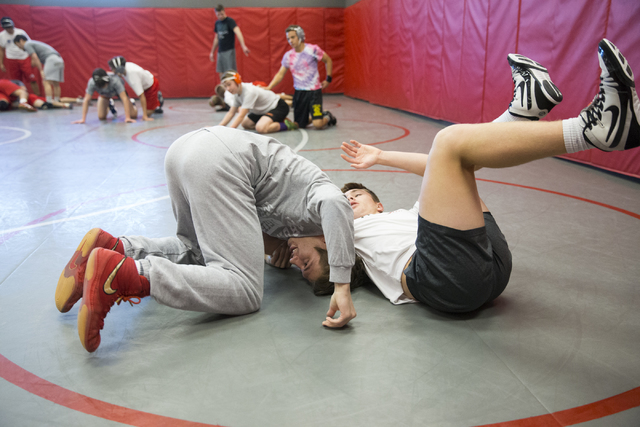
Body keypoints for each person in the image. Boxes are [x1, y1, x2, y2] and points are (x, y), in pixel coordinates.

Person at [336, 39, 638, 313]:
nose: (349, 198)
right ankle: (587, 129)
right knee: (448, 143)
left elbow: (436, 168)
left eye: (356, 195)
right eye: (346, 198)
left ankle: (521, 115)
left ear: (379, 205)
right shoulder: (344, 233)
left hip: (488, 261)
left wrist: (381, 156)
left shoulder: (414, 216)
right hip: (442, 280)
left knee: (453, 161)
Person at [55, 126, 357, 353]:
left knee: (196, 250)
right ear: (328, 241)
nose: (295, 261)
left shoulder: (292, 233)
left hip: (185, 151)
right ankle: (124, 276)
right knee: (246, 290)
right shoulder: (319, 204)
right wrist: (342, 286)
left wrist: (275, 247)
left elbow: (237, 230)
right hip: (220, 161)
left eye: (299, 269)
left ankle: (117, 248)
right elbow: (336, 203)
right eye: (307, 261)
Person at [266, 25, 336, 130]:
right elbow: (280, 74)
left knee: (318, 125)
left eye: (293, 37)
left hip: (314, 93)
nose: (290, 41)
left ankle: (327, 116)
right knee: (300, 125)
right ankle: (318, 115)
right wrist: (269, 87)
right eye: (288, 38)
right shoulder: (288, 55)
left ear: (300, 36)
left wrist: (328, 79)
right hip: (299, 93)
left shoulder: (313, 50)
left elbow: (328, 60)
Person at [217, 70, 297, 133]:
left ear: (237, 81)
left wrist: (228, 131)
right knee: (245, 124)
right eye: (225, 86)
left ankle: (287, 124)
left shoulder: (249, 92)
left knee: (261, 128)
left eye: (229, 84)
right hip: (262, 111)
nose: (227, 89)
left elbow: (241, 115)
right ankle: (271, 120)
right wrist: (218, 128)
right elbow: (231, 113)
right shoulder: (236, 93)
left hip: (277, 107)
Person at [108, 56, 164, 121]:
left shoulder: (132, 77)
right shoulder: (123, 67)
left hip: (150, 86)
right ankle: (155, 104)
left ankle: (158, 101)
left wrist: (145, 116)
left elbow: (141, 96)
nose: (111, 70)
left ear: (118, 69)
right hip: (145, 81)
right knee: (148, 108)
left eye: (112, 68)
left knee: (148, 113)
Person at [13, 35, 64, 105]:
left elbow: (34, 57)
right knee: (56, 83)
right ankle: (57, 101)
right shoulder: (34, 43)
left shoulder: (27, 44)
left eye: (17, 45)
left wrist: (41, 70)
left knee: (46, 82)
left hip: (51, 59)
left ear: (21, 40)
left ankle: (49, 102)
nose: (19, 48)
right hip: (59, 60)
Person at [0, 17, 40, 95]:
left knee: (32, 78)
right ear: (4, 27)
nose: (9, 29)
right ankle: (19, 99)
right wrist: (1, 63)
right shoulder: (1, 35)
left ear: (13, 25)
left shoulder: (21, 32)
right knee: (15, 81)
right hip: (11, 59)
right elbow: (1, 50)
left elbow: (29, 45)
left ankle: (39, 96)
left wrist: (32, 58)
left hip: (24, 57)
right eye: (7, 28)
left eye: (10, 27)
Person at [209, 4, 250, 77]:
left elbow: (238, 32)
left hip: (229, 51)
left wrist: (243, 46)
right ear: (215, 14)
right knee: (221, 72)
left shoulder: (230, 21)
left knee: (230, 73)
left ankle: (234, 88)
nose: (220, 16)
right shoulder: (217, 23)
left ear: (224, 12)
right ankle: (224, 88)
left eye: (222, 14)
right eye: (218, 15)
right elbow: (216, 38)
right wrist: (212, 52)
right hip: (220, 51)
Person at [3, 79, 72, 109]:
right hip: (28, 99)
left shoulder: (14, 85)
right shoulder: (7, 93)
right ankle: (73, 101)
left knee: (46, 102)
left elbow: (23, 91)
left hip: (30, 98)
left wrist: (22, 102)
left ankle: (68, 103)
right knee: (49, 102)